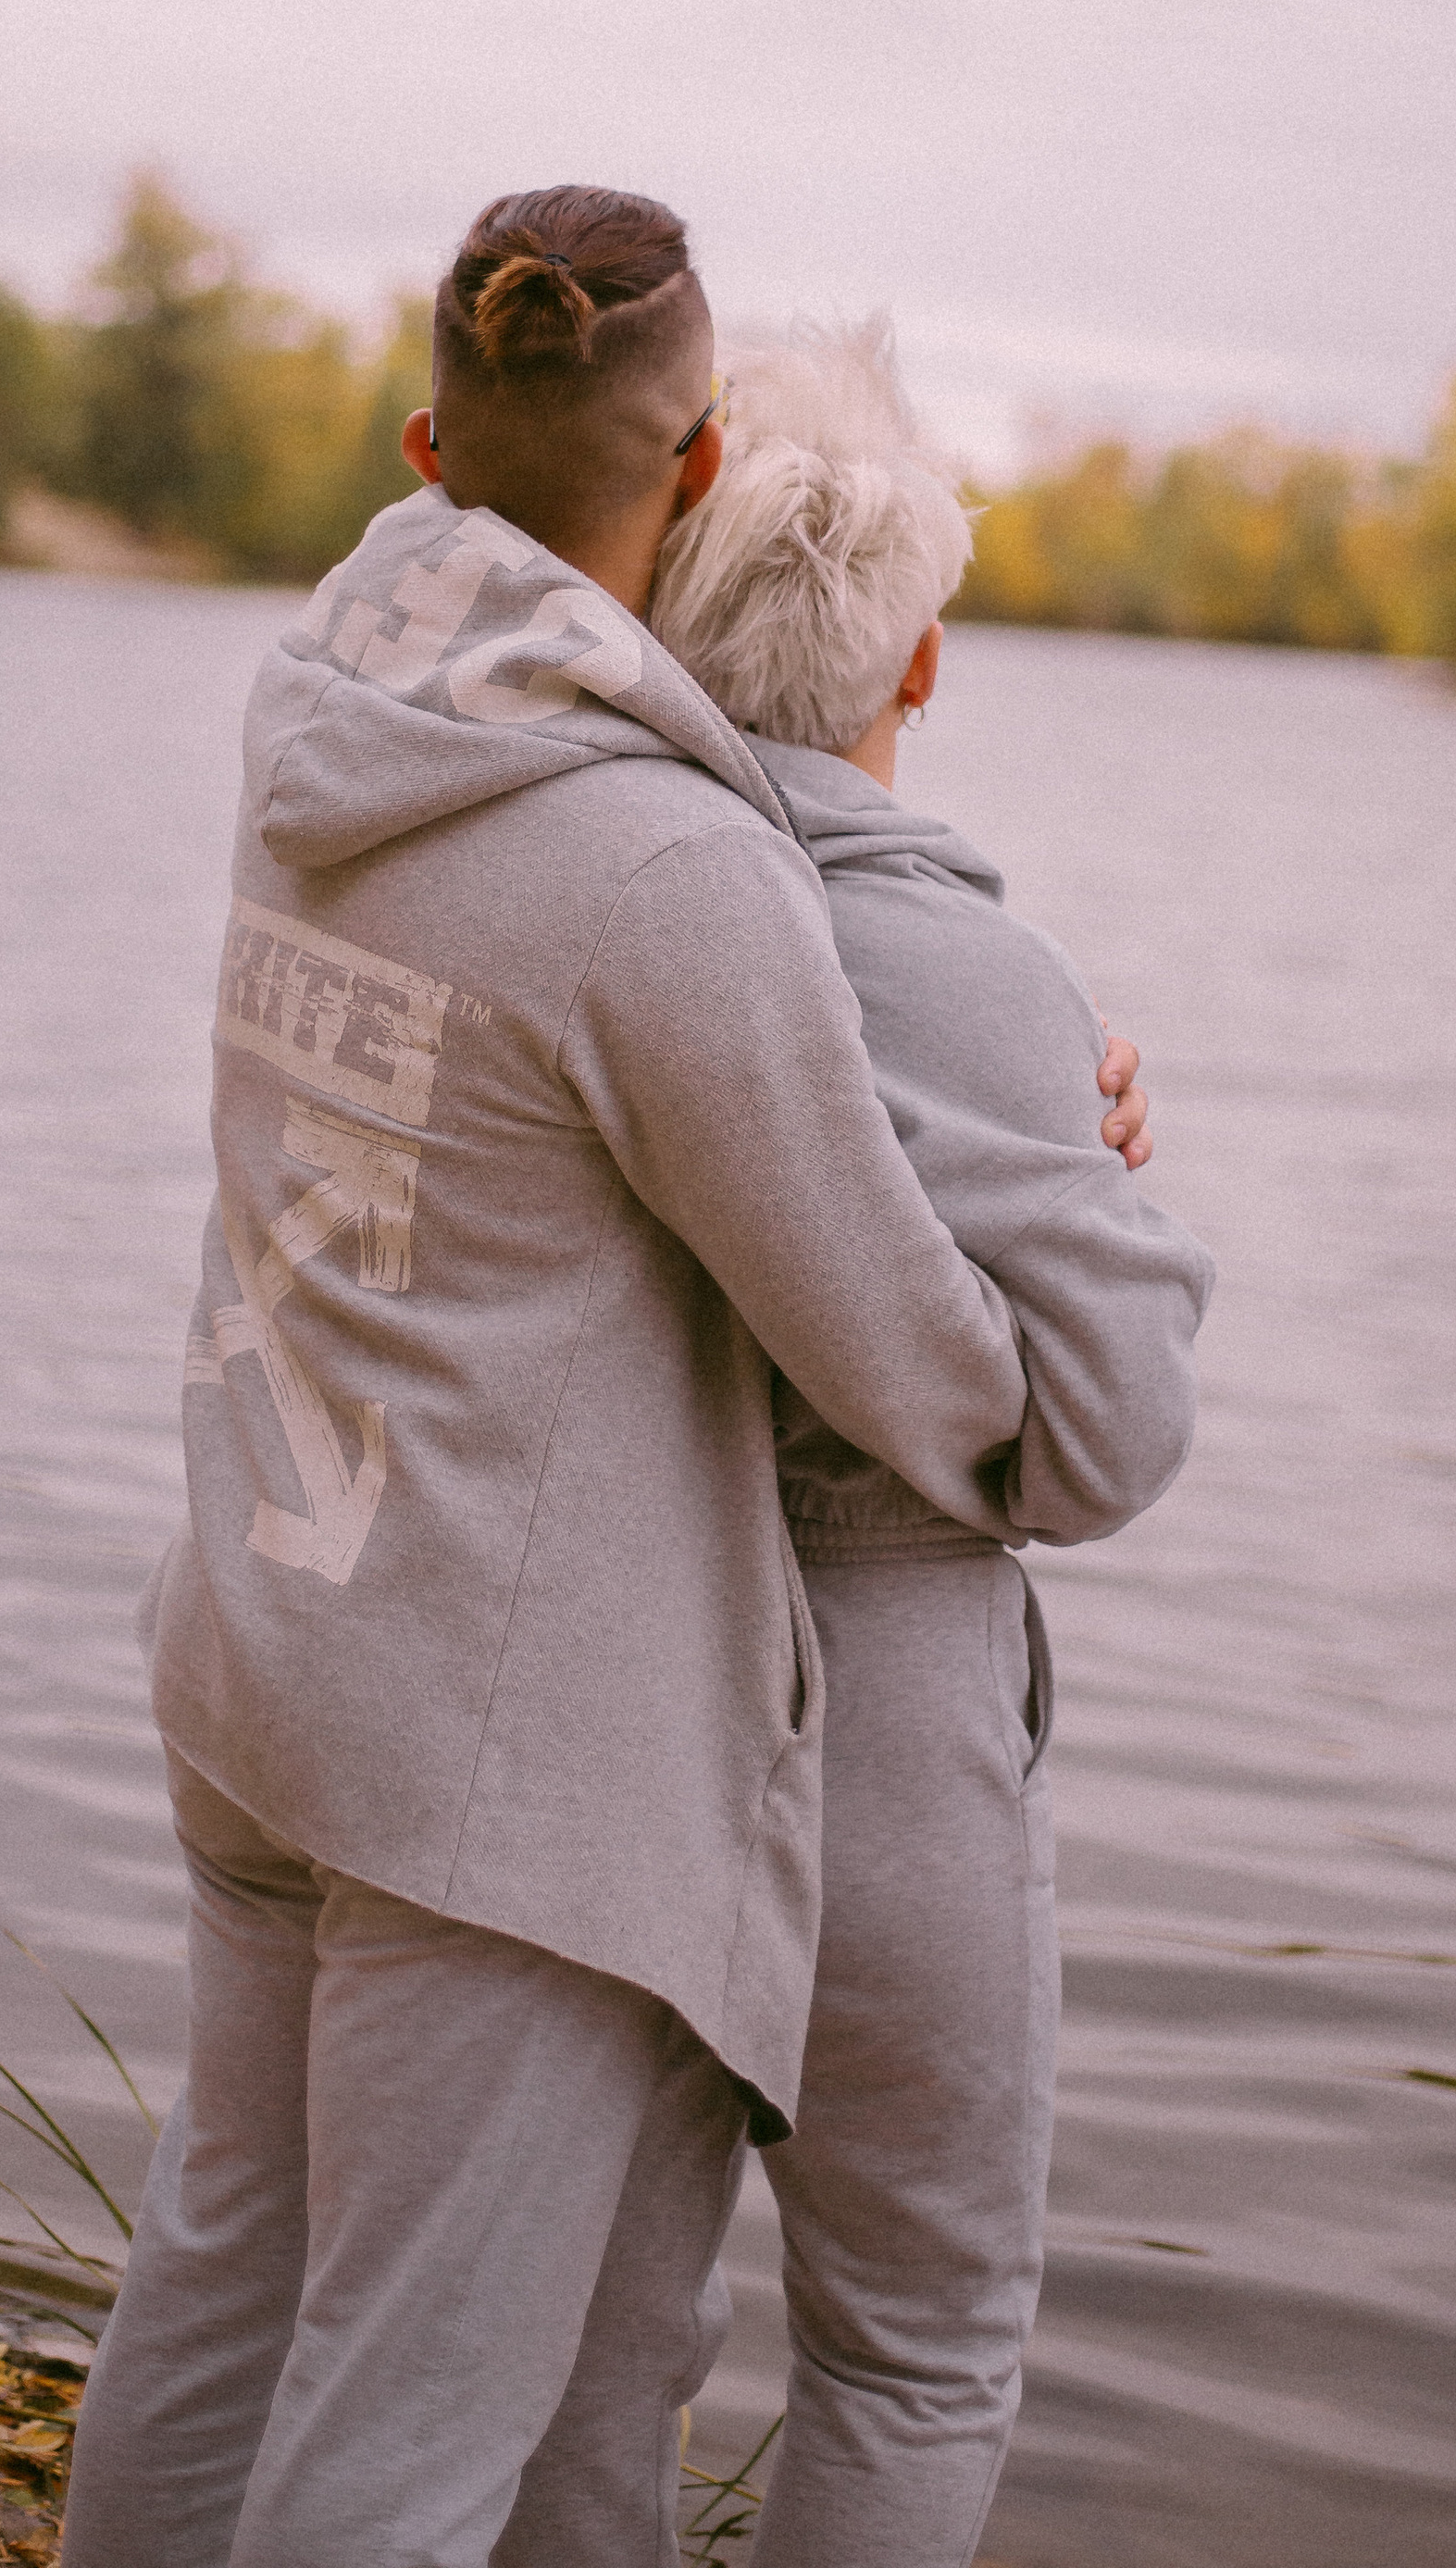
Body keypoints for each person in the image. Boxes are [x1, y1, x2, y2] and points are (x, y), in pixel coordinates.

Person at [59, 192, 1150, 2568]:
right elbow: (909, 1359)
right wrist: (1063, 1184)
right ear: (703, 458)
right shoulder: (665, 871)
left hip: (263, 1628)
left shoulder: (316, 723)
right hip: (496, 1771)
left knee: (222, 2281)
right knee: (406, 2429)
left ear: (429, 444)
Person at [499, 318, 1214, 2568]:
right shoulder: (965, 972)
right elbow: (1094, 1442)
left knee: (584, 2358)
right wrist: (1110, 1206)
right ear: (926, 654)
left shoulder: (552, 886)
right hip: (884, 1708)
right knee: (914, 2348)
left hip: (605, 1682)